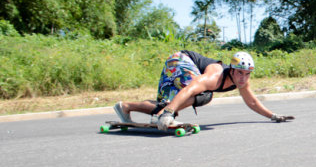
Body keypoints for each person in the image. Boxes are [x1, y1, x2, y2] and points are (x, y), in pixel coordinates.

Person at [113, 50, 293, 129]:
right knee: (204, 96)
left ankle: (126, 106)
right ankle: (164, 114)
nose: (243, 78)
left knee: (168, 106)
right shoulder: (214, 77)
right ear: (231, 69)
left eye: (247, 74)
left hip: (184, 67)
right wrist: (169, 112)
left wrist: (273, 116)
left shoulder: (242, 81)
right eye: (240, 73)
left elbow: (252, 101)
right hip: (180, 60)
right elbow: (190, 90)